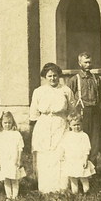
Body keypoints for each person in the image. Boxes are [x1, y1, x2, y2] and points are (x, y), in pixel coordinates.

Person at [29, 62, 73, 193]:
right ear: (45, 77)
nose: (53, 78)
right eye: (49, 76)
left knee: (60, 153)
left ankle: (61, 187)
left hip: (61, 124)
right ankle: (46, 188)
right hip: (43, 124)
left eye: (55, 75)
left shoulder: (66, 90)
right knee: (45, 155)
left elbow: (72, 110)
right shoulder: (38, 91)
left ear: (58, 76)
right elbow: (34, 113)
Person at [67, 51, 101, 168]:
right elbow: (68, 98)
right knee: (80, 142)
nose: (88, 64)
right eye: (85, 62)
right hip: (81, 114)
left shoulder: (96, 79)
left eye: (90, 62)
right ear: (80, 63)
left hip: (95, 113)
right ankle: (78, 172)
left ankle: (92, 173)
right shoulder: (75, 80)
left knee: (94, 144)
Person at [0, 111, 27, 201]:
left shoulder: (16, 135)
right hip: (4, 160)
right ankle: (9, 196)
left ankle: (15, 196)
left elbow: (20, 148)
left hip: (13, 160)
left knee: (14, 178)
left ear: (12, 123)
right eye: (5, 123)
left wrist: (19, 160)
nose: (7, 125)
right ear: (1, 123)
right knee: (6, 178)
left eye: (9, 123)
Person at [59, 114, 95, 194]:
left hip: (80, 160)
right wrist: (62, 154)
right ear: (70, 125)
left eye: (78, 124)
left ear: (81, 124)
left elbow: (87, 148)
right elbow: (63, 146)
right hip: (71, 161)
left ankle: (87, 193)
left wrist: (85, 159)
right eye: (74, 125)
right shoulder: (67, 135)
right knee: (73, 179)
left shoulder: (84, 136)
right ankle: (75, 193)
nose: (76, 127)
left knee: (83, 178)